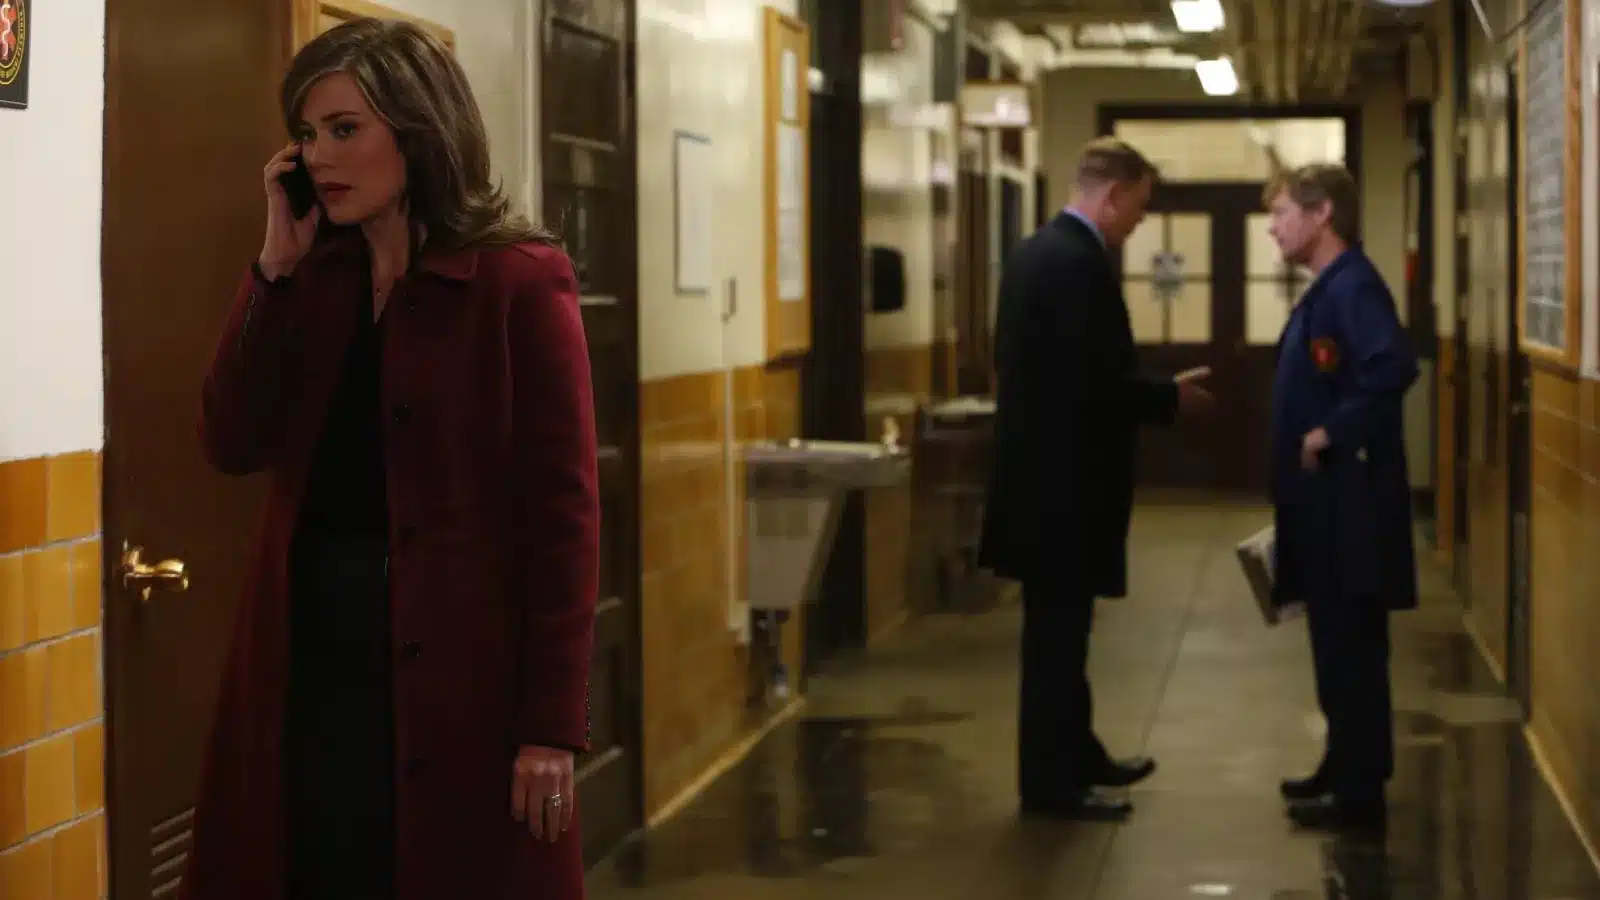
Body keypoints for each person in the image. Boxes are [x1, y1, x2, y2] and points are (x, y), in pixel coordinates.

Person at [187, 18, 599, 900]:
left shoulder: (517, 281)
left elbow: (563, 518)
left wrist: (552, 725)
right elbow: (230, 439)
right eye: (307, 134)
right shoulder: (313, 280)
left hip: (459, 676)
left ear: (419, 131)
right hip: (308, 663)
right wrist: (273, 266)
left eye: (346, 129)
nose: (320, 156)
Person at [978, 137, 1214, 821]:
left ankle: (1076, 754)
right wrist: (1168, 398)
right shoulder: (1076, 265)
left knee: (1063, 633)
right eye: (1138, 207)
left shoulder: (1034, 252)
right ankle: (1052, 783)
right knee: (1056, 640)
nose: (1139, 222)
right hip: (1062, 488)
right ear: (1111, 196)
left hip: (1043, 481)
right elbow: (1089, 382)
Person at [1265, 163, 1418, 833]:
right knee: (1332, 643)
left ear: (1322, 212)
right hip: (1323, 504)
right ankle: (1343, 763)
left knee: (1352, 647)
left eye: (1281, 213)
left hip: (1349, 506)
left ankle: (1360, 791)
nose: (1273, 228)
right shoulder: (1328, 289)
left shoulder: (1353, 286)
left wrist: (1334, 430)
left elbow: (1393, 366)